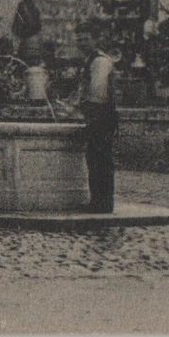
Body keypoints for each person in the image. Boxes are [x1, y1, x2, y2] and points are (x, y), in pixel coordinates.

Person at [74, 25, 118, 213]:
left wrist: (85, 109)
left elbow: (97, 91)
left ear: (95, 40)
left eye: (86, 39)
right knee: (95, 158)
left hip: (101, 115)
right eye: (79, 39)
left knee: (101, 160)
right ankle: (98, 201)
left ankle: (103, 203)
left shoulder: (100, 61)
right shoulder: (90, 60)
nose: (82, 43)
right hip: (97, 114)